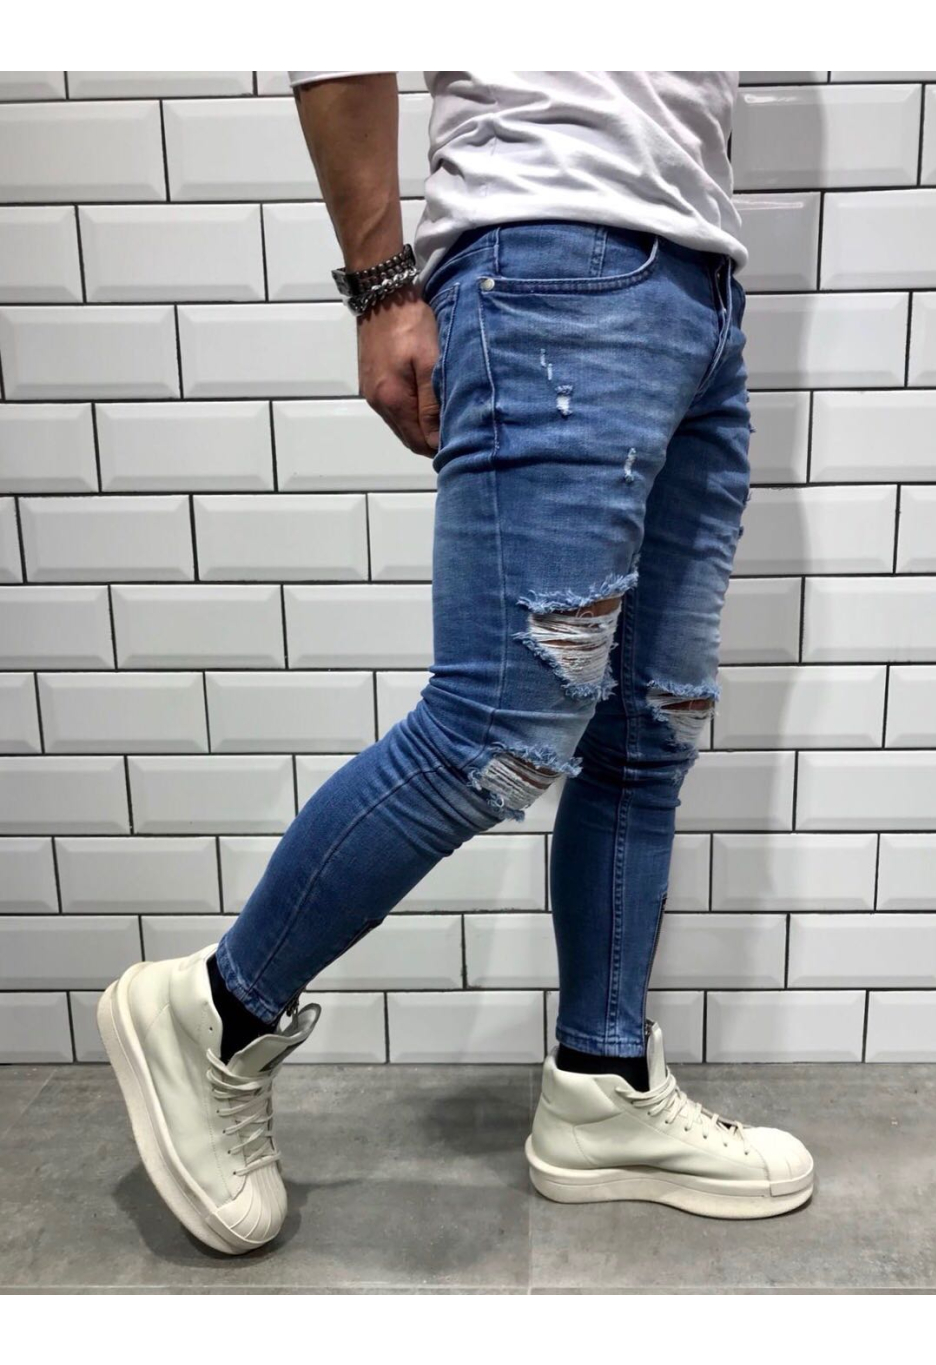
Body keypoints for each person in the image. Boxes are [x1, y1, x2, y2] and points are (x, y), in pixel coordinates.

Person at [98, 70, 814, 1255]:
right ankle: (215, 1011)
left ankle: (602, 1088)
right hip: (551, 261)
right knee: (497, 729)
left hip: (701, 287)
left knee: (649, 732)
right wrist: (383, 285)